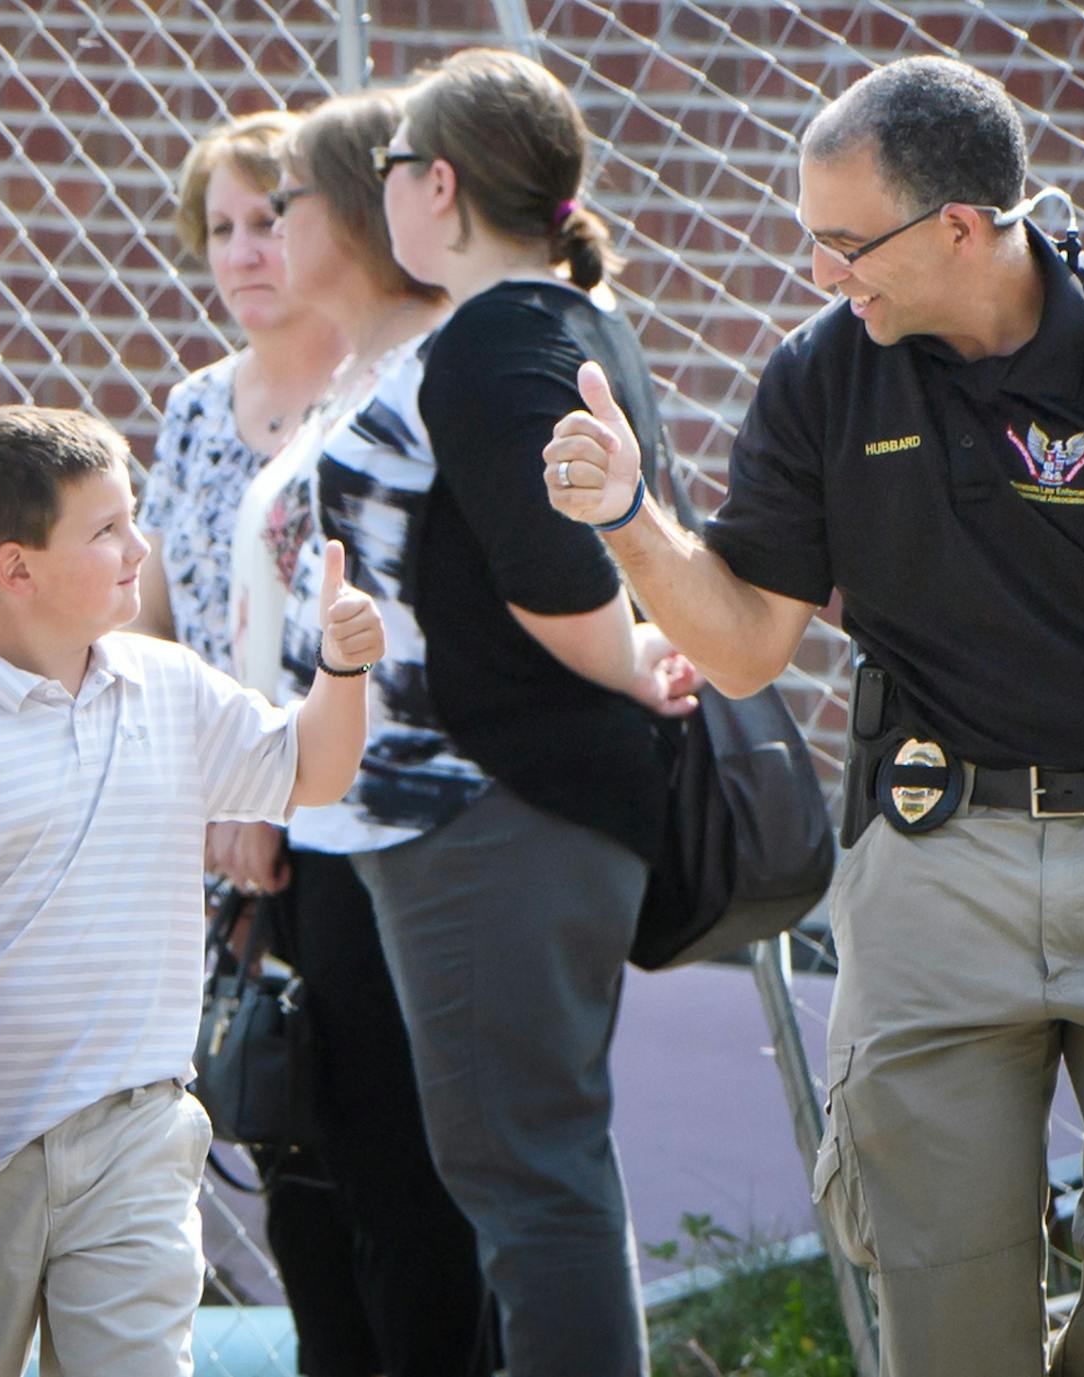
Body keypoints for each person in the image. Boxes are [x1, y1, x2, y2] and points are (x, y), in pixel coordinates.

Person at [544, 55, 1084, 1377]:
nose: (823, 274)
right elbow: (743, 642)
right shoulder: (825, 379)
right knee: (946, 1290)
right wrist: (627, 521)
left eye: (845, 242)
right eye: (808, 240)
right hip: (938, 859)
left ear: (959, 225)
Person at [0, 405, 383, 1376]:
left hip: (136, 1131)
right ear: (15, 568)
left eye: (134, 520)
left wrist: (342, 667)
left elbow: (313, 771)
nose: (138, 548)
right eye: (106, 529)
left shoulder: (171, 688)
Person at [370, 48, 700, 1377]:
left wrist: (624, 658)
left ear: (437, 185)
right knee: (544, 1166)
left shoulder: (492, 334)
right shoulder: (571, 315)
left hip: (505, 811)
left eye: (392, 166)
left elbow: (557, 561)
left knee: (527, 1177)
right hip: (549, 807)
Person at [223, 90, 494, 1376]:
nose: (268, 233)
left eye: (291, 204)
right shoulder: (349, 382)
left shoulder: (434, 374)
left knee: (401, 1189)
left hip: (396, 825)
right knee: (319, 1187)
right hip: (311, 826)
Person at [132, 110, 371, 1360]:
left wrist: (278, 794)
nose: (243, 250)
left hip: (340, 802)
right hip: (224, 821)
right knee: (278, 1118)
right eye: (219, 228)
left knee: (374, 1123)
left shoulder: (370, 397)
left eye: (269, 219)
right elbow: (156, 620)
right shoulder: (190, 410)